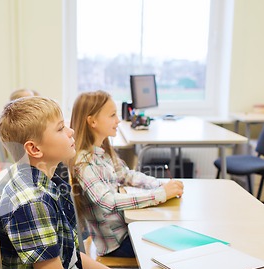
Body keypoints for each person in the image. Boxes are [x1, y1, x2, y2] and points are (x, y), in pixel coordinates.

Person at [0, 96, 185, 269]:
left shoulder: (48, 182)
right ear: (34, 149)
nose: (71, 131)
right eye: (60, 128)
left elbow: (69, 254)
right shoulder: (32, 203)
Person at [69, 91, 184, 258]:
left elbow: (126, 175)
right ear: (92, 121)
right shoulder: (83, 163)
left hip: (125, 231)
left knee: (172, 234)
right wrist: (159, 195)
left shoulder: (102, 152)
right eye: (112, 115)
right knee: (172, 246)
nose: (118, 120)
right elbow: (107, 201)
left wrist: (160, 185)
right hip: (116, 244)